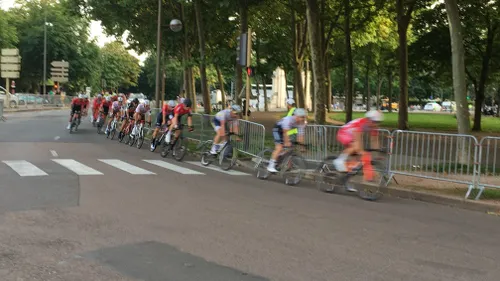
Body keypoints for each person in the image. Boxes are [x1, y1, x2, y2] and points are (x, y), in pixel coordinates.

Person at [267, 108, 307, 173]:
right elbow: (285, 133)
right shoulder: (288, 120)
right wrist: (287, 142)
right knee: (279, 147)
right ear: (296, 116)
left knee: (290, 148)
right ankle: (270, 166)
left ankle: (281, 161)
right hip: (278, 129)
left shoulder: (302, 123)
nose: (302, 119)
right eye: (301, 117)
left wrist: (302, 146)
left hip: (285, 131)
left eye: (304, 117)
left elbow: (301, 136)